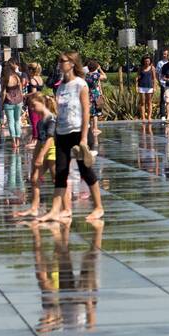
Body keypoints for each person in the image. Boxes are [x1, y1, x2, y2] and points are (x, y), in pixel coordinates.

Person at [40, 52, 105, 222]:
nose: (60, 63)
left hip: (78, 132)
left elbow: (86, 112)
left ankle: (98, 207)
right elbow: (59, 111)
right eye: (59, 60)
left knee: (85, 170)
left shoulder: (80, 84)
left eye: (63, 61)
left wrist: (84, 138)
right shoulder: (61, 86)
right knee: (61, 171)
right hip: (62, 133)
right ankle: (57, 210)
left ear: (72, 63)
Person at [15, 92, 57, 219]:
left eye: (34, 106)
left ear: (43, 103)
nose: (32, 109)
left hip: (53, 152)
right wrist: (35, 155)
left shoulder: (51, 118)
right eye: (30, 107)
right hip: (44, 151)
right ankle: (34, 207)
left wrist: (41, 156)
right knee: (34, 178)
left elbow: (50, 139)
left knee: (58, 180)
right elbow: (40, 139)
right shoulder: (40, 121)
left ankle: (63, 208)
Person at [2, 60, 26, 147]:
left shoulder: (5, 78)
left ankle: (13, 142)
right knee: (17, 121)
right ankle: (18, 140)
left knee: (11, 122)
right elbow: (21, 90)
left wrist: (1, 103)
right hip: (18, 101)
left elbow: (4, 92)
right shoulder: (17, 77)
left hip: (9, 101)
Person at [85, 58, 104, 137]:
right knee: (95, 112)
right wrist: (100, 69)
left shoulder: (86, 75)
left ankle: (89, 128)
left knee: (89, 112)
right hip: (95, 94)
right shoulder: (96, 75)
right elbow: (105, 77)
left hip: (88, 94)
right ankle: (95, 128)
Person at [136, 55, 157, 121]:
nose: (147, 62)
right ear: (143, 61)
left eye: (148, 61)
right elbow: (137, 78)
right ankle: (143, 117)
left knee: (149, 102)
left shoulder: (152, 68)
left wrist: (155, 87)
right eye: (145, 61)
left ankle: (149, 117)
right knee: (142, 102)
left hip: (149, 87)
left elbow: (154, 78)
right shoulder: (140, 68)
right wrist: (136, 87)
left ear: (150, 61)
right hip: (141, 86)